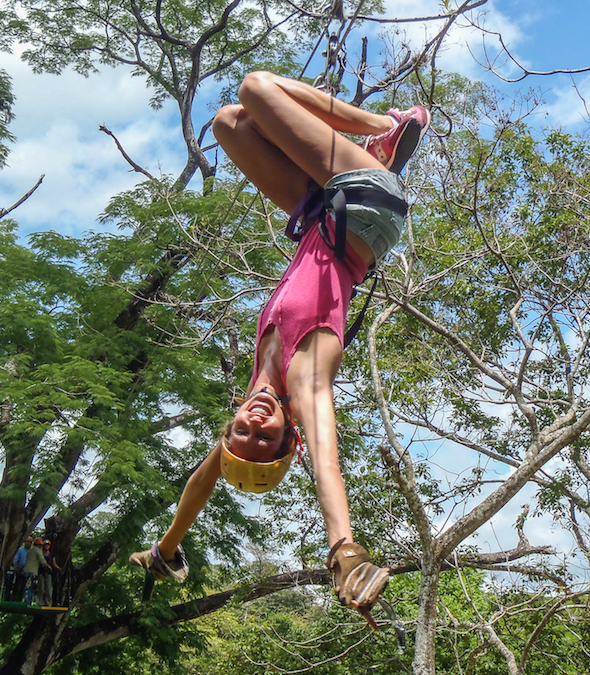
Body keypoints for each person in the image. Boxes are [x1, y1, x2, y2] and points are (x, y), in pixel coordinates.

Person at [130, 71, 429, 626]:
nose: (254, 424)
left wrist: (166, 548)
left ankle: (377, 147)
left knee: (229, 123)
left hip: (321, 214)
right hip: (365, 204)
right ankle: (385, 129)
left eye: (240, 432)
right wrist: (344, 550)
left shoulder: (256, 390)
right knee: (255, 89)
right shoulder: (304, 375)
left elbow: (202, 482)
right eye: (266, 437)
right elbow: (326, 463)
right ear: (289, 434)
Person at [22, 538, 49, 605]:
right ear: (39, 545)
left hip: (26, 570)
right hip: (32, 571)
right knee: (30, 587)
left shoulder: (30, 550)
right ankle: (28, 602)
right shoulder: (38, 550)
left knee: (26, 586)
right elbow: (43, 561)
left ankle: (26, 601)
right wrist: (48, 566)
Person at [37, 540, 60, 606]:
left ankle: (48, 603)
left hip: (48, 573)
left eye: (48, 545)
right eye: (45, 544)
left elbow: (54, 564)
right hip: (41, 572)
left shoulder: (51, 554)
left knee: (48, 589)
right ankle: (40, 602)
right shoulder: (40, 553)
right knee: (41, 588)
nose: (46, 546)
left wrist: (59, 569)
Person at [9, 536, 32, 602]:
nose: (29, 543)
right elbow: (15, 559)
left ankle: (22, 601)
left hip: (28, 573)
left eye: (30, 542)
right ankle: (14, 601)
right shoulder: (20, 550)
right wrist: (16, 568)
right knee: (17, 588)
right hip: (20, 572)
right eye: (27, 541)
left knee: (25, 589)